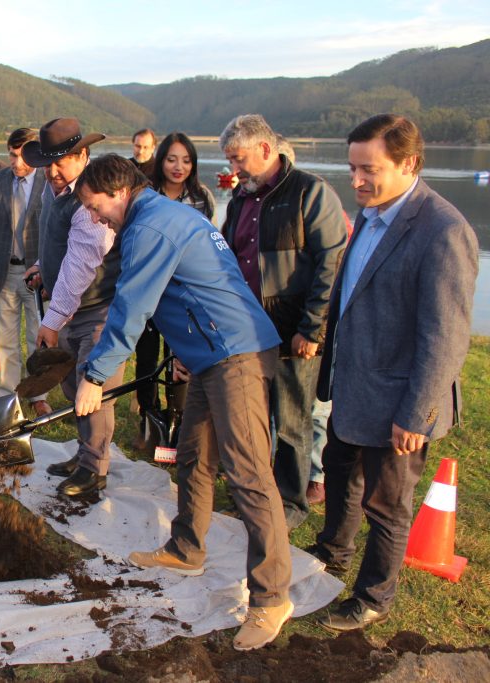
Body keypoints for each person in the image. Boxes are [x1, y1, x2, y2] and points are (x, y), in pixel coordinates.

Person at [72, 154, 290, 651]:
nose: (93, 216)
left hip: (236, 355)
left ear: (120, 190)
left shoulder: (152, 226)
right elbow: (195, 286)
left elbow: (133, 306)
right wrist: (185, 349)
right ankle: (187, 548)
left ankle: (272, 597)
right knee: (192, 457)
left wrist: (96, 376)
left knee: (249, 475)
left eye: (95, 206)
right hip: (210, 352)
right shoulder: (160, 216)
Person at [309, 114, 477, 632]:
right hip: (353, 388)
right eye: (352, 167)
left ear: (409, 164)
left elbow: (444, 336)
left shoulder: (444, 231)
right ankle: (333, 549)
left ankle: (375, 594)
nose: (355, 180)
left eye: (369, 169)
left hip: (400, 401)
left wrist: (417, 415)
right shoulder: (372, 216)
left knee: (388, 503)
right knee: (340, 475)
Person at [220, 114, 346, 530]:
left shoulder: (311, 192)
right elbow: (228, 256)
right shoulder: (240, 198)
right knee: (252, 419)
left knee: (292, 421)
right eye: (229, 161)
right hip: (247, 332)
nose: (233, 169)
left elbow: (331, 264)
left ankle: (291, 503)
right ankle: (257, 494)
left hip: (292, 332)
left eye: (238, 159)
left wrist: (312, 328)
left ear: (265, 150)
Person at [21, 118, 122, 497]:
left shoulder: (90, 201)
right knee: (70, 383)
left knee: (92, 387)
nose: (52, 171)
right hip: (66, 305)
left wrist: (51, 320)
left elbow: (81, 265)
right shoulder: (55, 189)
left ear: (82, 156)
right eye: (47, 163)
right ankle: (84, 455)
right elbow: (55, 241)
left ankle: (94, 470)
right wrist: (41, 267)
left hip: (96, 308)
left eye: (60, 162)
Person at [131, 132, 215, 448]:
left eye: (186, 160)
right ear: (161, 159)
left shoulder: (201, 197)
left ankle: (178, 421)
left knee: (181, 355)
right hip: (152, 288)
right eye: (171, 159)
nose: (178, 167)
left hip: (186, 290)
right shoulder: (146, 194)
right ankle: (149, 419)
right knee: (147, 356)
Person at [0, 127, 51, 416]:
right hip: (3, 273)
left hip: (38, 275)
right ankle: (8, 395)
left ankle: (38, 394)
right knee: (6, 341)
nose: (17, 163)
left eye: (23, 156)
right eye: (12, 155)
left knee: (38, 338)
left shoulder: (49, 181)